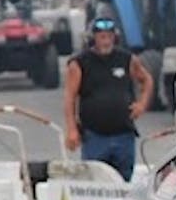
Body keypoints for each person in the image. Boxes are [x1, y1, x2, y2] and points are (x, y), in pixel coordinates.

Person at [63, 17, 154, 182]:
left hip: (123, 135)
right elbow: (70, 98)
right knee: (95, 182)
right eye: (101, 37)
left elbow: (146, 80)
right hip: (95, 136)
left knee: (124, 182)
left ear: (115, 38)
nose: (106, 41)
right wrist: (72, 130)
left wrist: (142, 104)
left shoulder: (127, 59)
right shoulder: (79, 63)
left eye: (109, 37)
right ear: (94, 39)